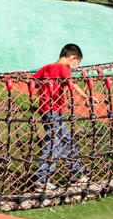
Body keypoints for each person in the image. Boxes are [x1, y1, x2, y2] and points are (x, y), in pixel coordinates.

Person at [32, 44, 90, 191]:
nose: (75, 67)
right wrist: (85, 96)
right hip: (54, 111)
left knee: (63, 141)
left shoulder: (46, 67)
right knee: (55, 143)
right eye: (77, 63)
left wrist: (42, 92)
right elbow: (72, 84)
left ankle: (75, 174)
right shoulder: (64, 68)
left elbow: (34, 81)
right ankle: (42, 179)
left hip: (45, 110)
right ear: (73, 58)